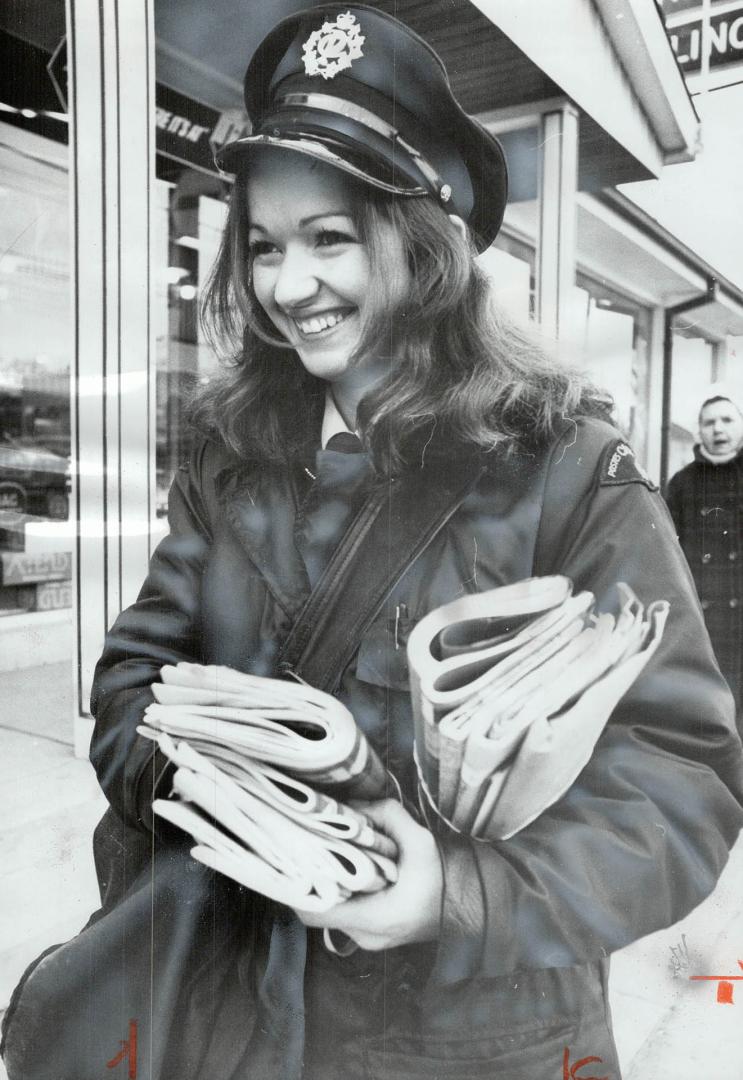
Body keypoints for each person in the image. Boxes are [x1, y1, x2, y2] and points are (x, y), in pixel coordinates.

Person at [3, 6, 743, 1080]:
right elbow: (130, 678)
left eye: (328, 238)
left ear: (421, 243)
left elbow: (680, 783)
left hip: (475, 1040)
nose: (286, 286)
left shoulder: (562, 461)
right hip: (231, 1020)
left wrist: (452, 892)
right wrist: (216, 783)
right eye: (261, 245)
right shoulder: (229, 452)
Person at [666, 385, 743, 718]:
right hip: (705, 615)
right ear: (700, 430)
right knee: (710, 708)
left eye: (727, 420)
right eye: (710, 422)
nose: (719, 429)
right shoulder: (682, 483)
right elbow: (669, 552)